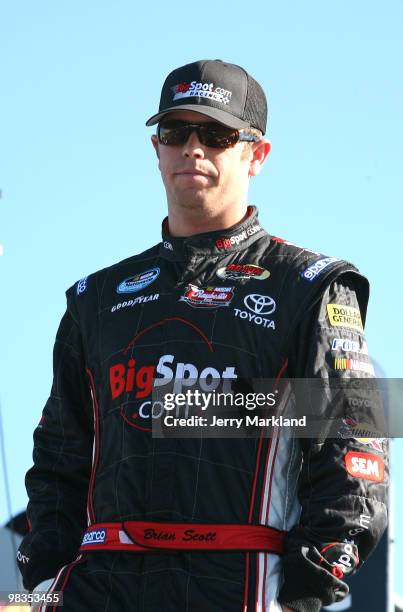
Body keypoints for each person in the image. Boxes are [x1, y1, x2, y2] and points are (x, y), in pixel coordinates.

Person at [17, 59, 388, 612]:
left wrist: (312, 581)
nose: (193, 148)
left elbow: (356, 442)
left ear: (255, 155)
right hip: (102, 584)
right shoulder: (97, 297)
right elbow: (59, 453)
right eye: (175, 132)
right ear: (156, 149)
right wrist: (45, 573)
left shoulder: (310, 284)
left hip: (241, 582)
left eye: (215, 134)